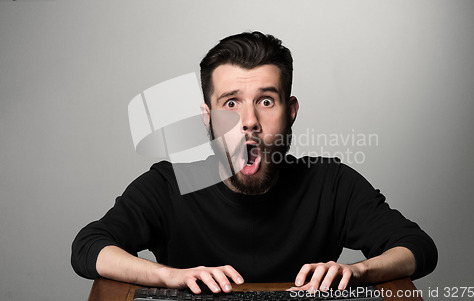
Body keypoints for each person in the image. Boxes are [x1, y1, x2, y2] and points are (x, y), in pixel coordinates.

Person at [71, 31, 437, 295]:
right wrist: (171, 276)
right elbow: (89, 247)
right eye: (230, 103)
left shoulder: (331, 183)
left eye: (265, 101)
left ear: (290, 112)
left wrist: (356, 271)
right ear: (207, 116)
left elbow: (417, 247)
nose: (248, 121)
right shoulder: (169, 184)